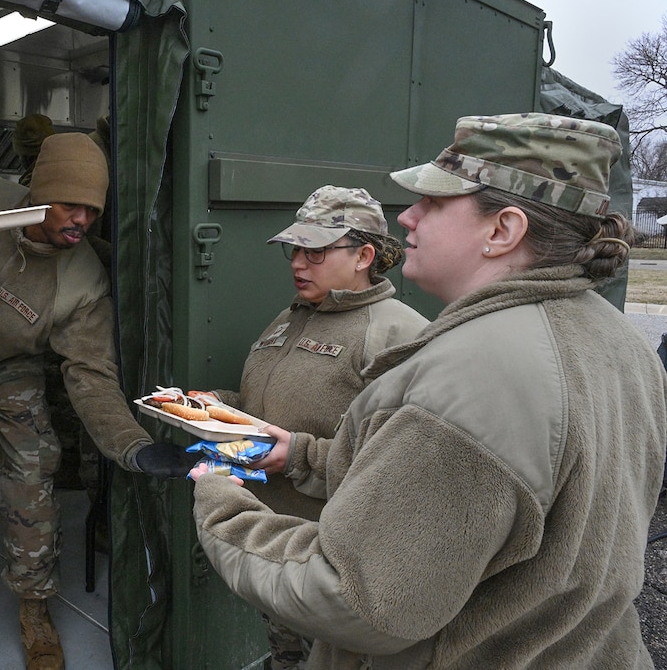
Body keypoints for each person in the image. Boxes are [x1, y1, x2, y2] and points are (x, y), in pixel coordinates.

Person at [190, 113, 667, 668]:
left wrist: (216, 490)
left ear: (502, 230)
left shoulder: (475, 374)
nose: (409, 217)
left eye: (435, 203)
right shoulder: (618, 339)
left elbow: (354, 600)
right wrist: (299, 453)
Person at [0, 131, 190, 668]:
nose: (81, 220)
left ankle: (35, 606)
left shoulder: (83, 281)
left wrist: (132, 446)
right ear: (38, 192)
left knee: (34, 484)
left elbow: (91, 374)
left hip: (10, 372)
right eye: (69, 204)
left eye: (91, 210)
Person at [198, 185, 427, 668]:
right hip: (273, 536)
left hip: (330, 558)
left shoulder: (396, 333)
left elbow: (400, 463)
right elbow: (270, 410)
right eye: (295, 250)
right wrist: (214, 407)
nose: (298, 263)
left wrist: (299, 455)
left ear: (365, 254)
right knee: (286, 655)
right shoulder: (290, 318)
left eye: (316, 251)